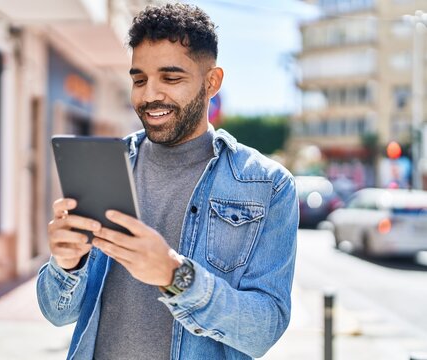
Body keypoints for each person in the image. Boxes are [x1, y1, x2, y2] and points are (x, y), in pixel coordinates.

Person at [37, 3, 298, 360]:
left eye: (171, 78)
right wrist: (67, 263)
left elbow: (265, 329)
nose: (148, 95)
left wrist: (175, 276)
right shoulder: (107, 165)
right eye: (139, 79)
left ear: (212, 82)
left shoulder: (268, 185)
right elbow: (57, 312)